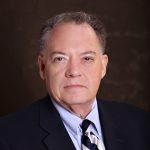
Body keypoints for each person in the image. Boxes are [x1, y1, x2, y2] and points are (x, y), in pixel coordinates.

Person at [0, 11, 149, 150]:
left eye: (87, 58)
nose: (74, 71)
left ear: (103, 66)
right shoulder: (7, 136)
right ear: (43, 67)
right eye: (60, 58)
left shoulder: (142, 124)